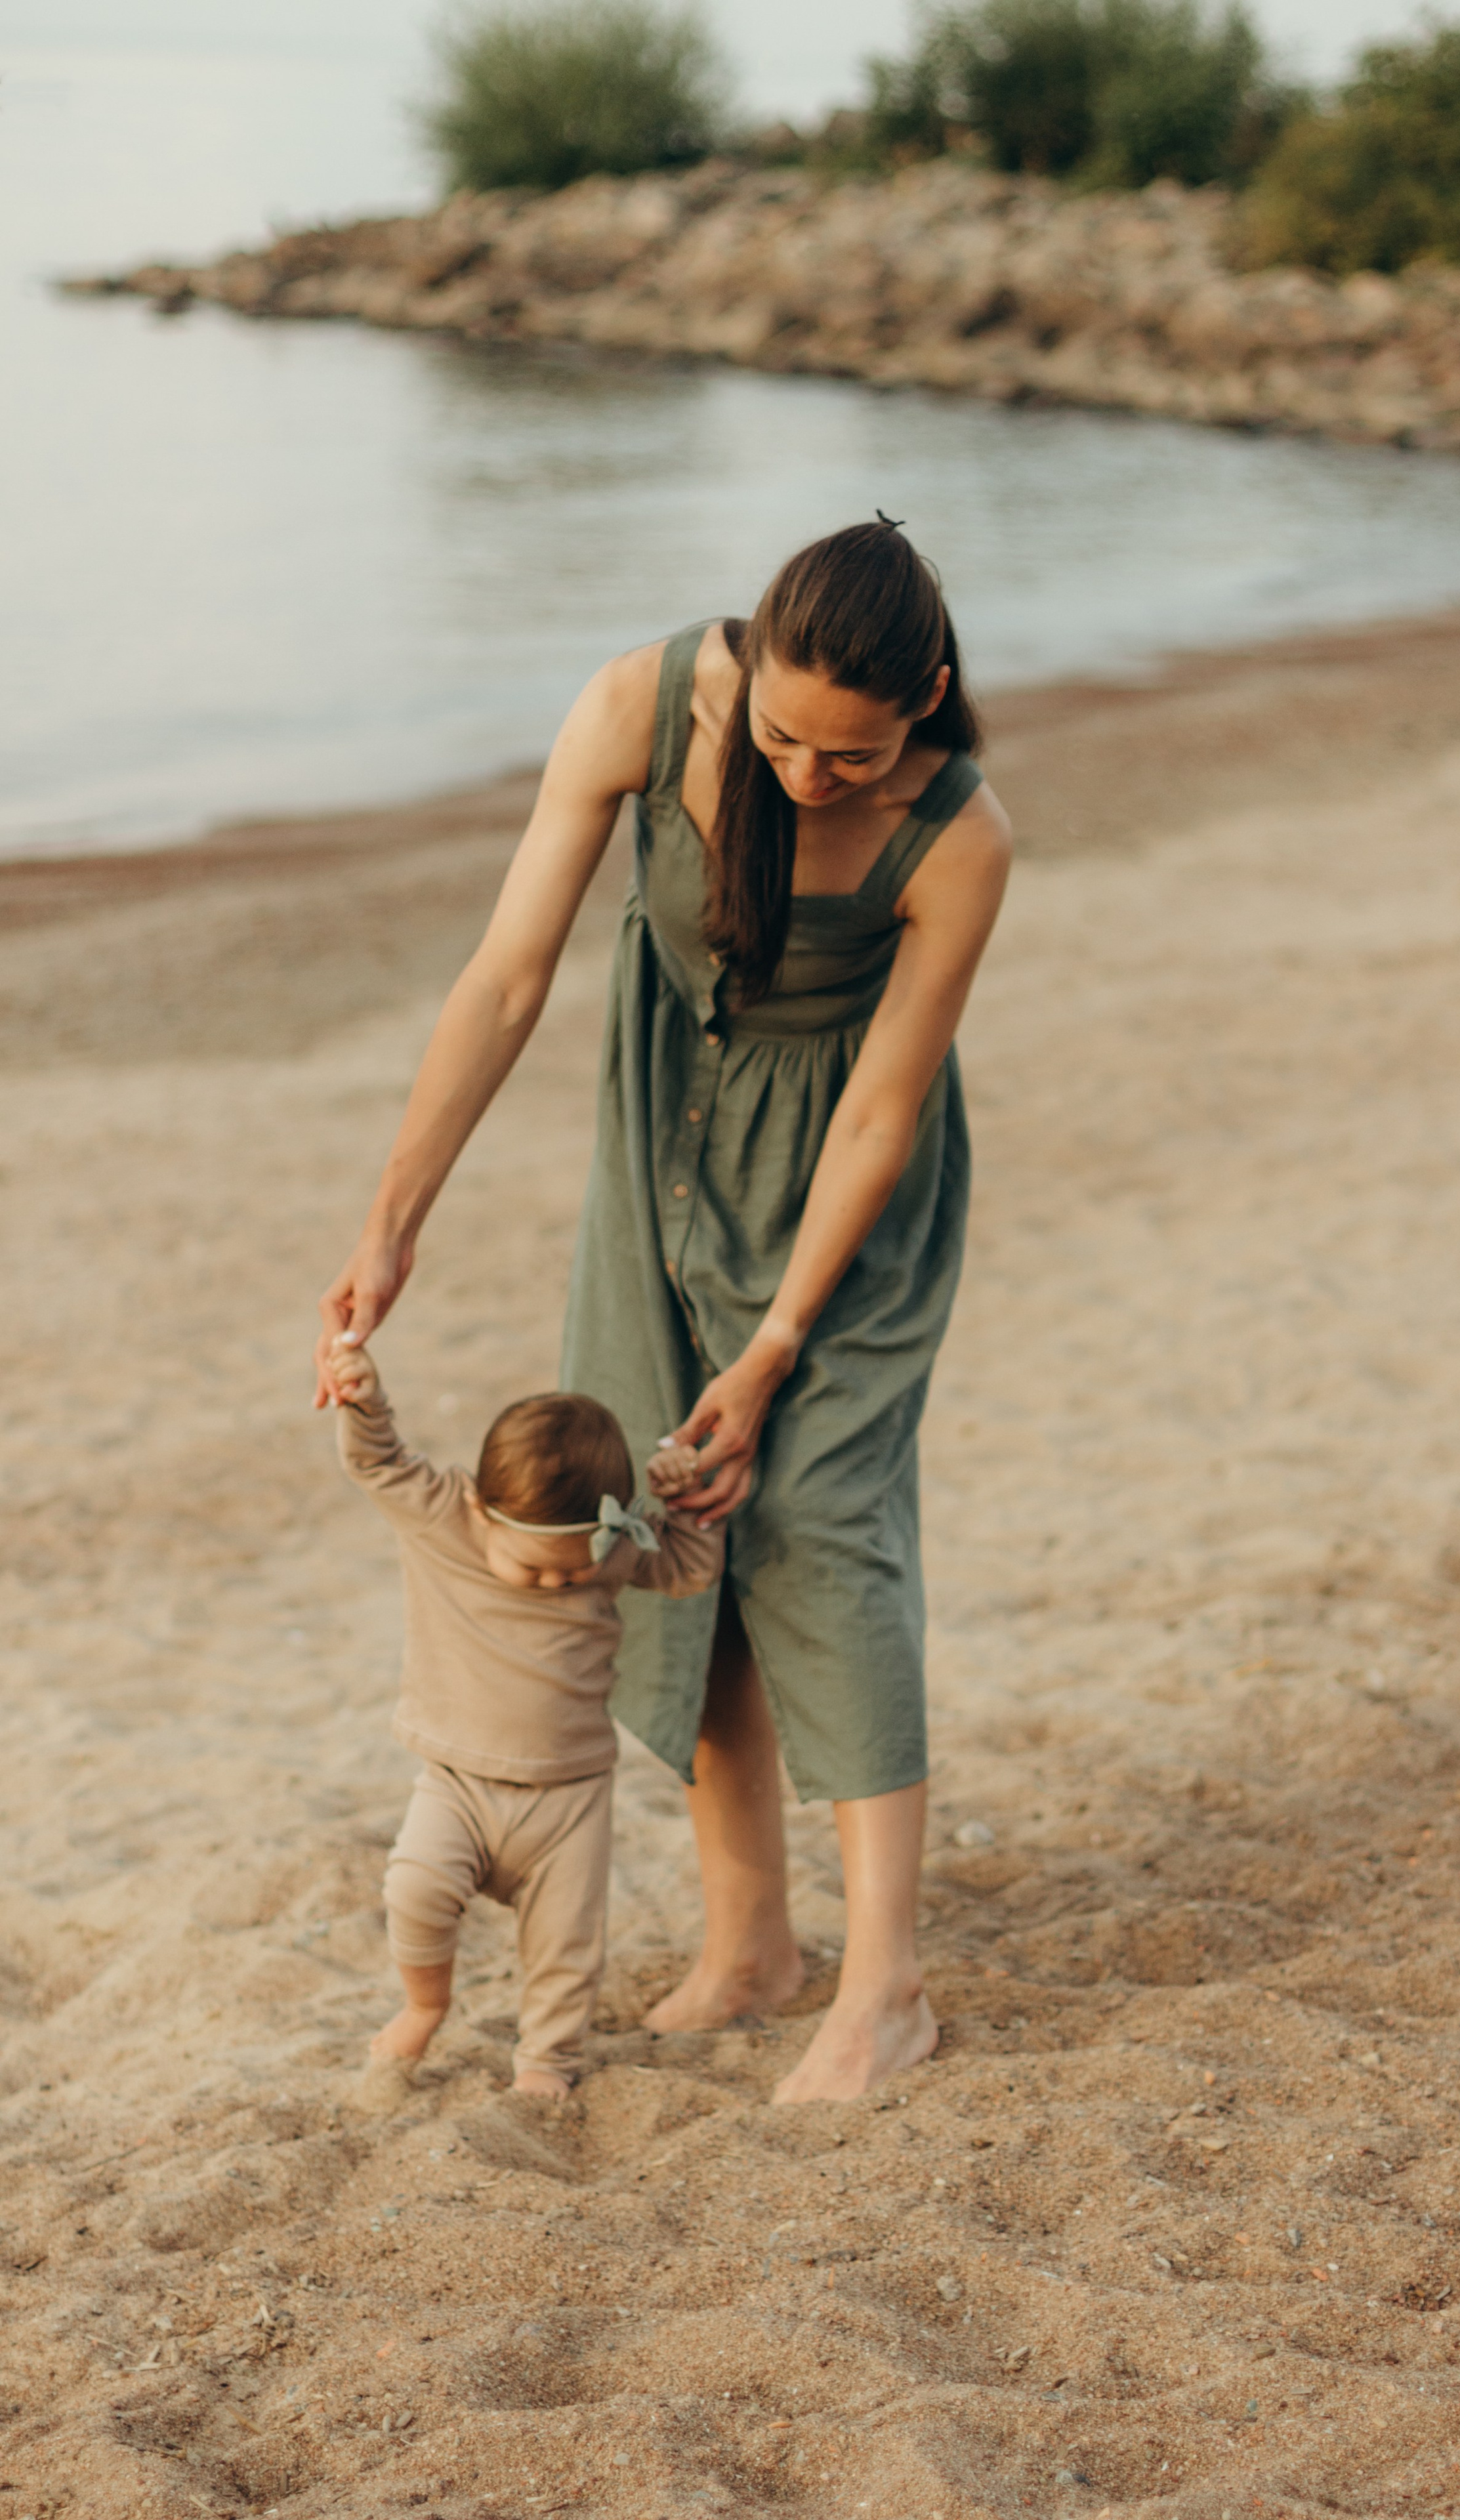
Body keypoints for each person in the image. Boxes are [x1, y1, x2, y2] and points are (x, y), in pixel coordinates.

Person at [314, 517, 1012, 2103]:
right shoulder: (637, 705)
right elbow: (506, 977)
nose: (807, 776)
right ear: (743, 663)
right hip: (659, 1156)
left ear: (927, 702)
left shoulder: (961, 837)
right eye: (778, 737)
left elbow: (880, 1112)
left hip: (843, 1204)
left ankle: (884, 1982)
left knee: (822, 1523)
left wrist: (773, 1346)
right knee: (654, 1505)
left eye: (849, 753)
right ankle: (751, 1942)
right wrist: (392, 1218)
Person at [323, 1336, 720, 2095]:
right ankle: (423, 2005)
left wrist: (679, 1501)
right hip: (458, 1780)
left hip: (570, 1796)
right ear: (481, 1506)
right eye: (533, 1566)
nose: (555, 1582)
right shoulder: (443, 1516)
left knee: (568, 1947)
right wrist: (365, 1401)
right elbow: (377, 1461)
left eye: (573, 1570)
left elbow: (688, 1571)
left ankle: (548, 2062)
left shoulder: (609, 1552)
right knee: (414, 1889)